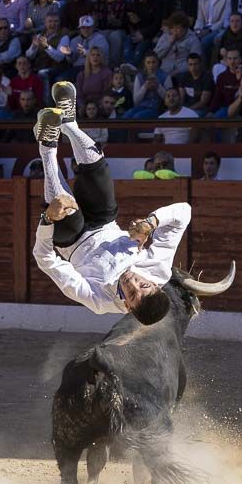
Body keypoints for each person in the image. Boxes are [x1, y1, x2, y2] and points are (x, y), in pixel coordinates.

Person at [32, 81, 191, 325]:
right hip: (105, 222)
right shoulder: (159, 269)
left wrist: (47, 220)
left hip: (71, 241)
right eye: (143, 285)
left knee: (65, 209)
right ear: (156, 285)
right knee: (99, 171)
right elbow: (184, 213)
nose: (133, 284)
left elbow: (46, 260)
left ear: (127, 307)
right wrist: (151, 222)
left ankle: (47, 147)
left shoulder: (98, 301)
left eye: (133, 294)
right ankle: (68, 124)